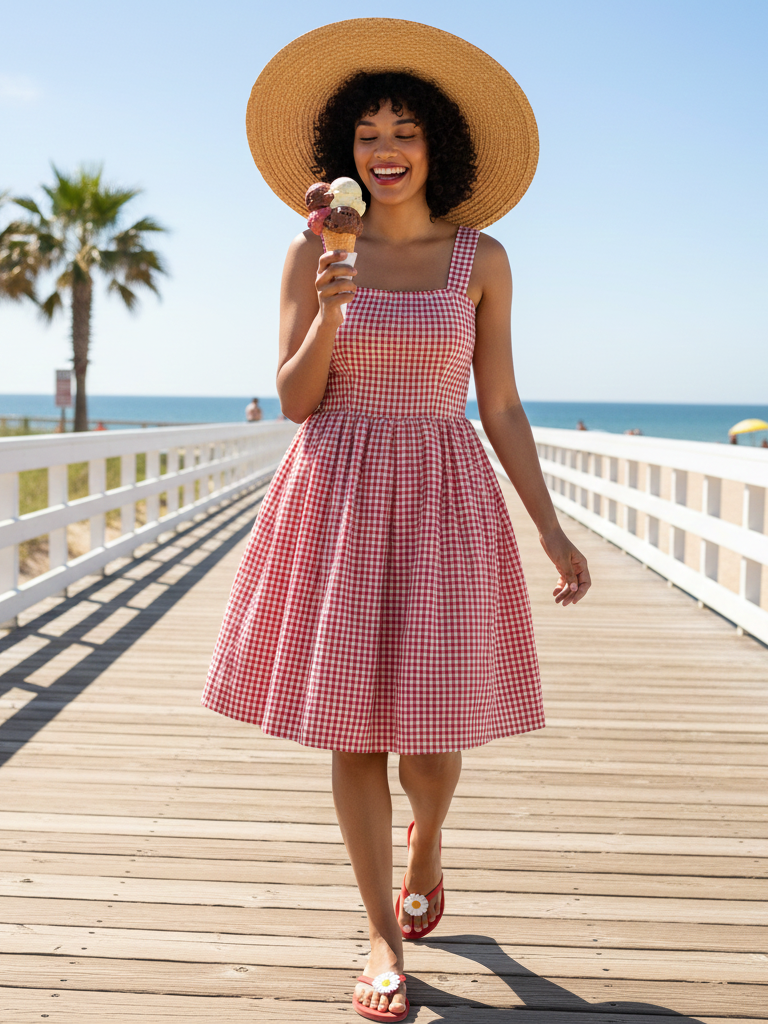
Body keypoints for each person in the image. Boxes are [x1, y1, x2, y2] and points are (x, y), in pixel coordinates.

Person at [201, 19, 591, 1022]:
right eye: (368, 133)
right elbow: (296, 401)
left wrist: (549, 528)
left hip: (443, 495)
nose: (385, 149)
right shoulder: (311, 250)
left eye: (405, 131)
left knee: (432, 730)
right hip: (336, 495)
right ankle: (380, 932)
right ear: (344, 151)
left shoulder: (482, 259)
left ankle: (430, 841)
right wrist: (332, 299)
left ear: (435, 146)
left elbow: (500, 405)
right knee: (353, 728)